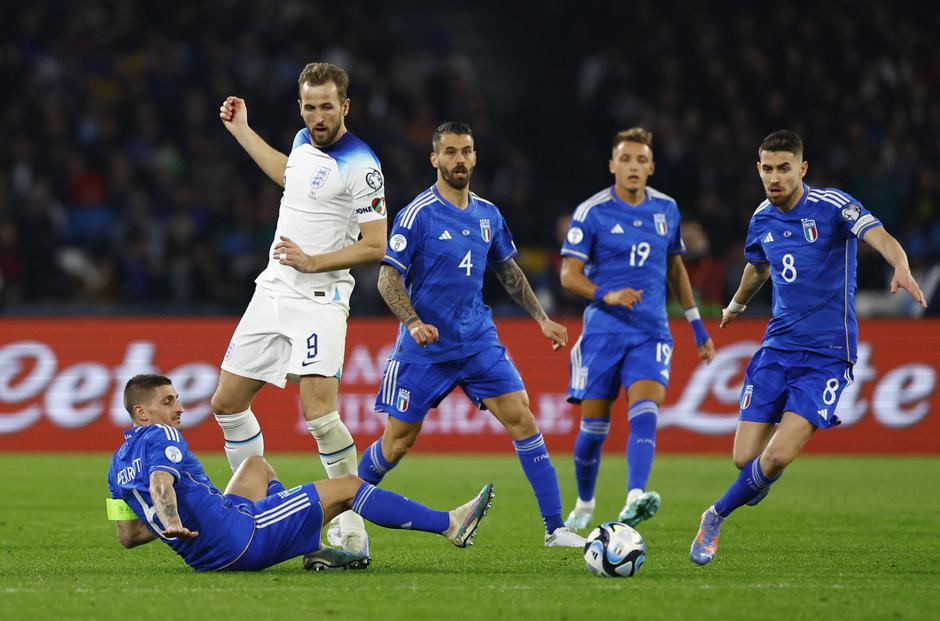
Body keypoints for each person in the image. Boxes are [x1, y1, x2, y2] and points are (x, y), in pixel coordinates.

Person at [689, 130, 927, 565]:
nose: (775, 177)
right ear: (758, 170)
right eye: (768, 168)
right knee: (745, 459)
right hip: (776, 350)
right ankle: (757, 479)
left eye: (784, 168)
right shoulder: (762, 217)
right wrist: (737, 304)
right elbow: (757, 268)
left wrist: (900, 265)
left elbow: (879, 236)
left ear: (803, 168)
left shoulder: (833, 206)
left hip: (827, 356)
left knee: (776, 455)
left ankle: (714, 517)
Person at [356, 122, 585, 547]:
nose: (459, 160)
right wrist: (412, 322)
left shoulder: (488, 215)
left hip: (478, 341)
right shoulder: (417, 214)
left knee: (522, 417)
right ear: (435, 159)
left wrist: (541, 317)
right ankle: (346, 504)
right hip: (424, 350)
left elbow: (508, 271)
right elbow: (387, 280)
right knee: (396, 443)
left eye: (466, 151)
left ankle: (557, 529)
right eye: (450, 152)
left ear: (475, 157)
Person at [213, 62, 387, 554]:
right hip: (272, 290)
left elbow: (376, 244)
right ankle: (258, 509)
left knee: (320, 415)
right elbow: (287, 175)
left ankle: (352, 528)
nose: (318, 117)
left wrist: (315, 262)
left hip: (319, 298)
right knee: (226, 404)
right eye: (309, 107)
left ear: (345, 106)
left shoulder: (363, 165)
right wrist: (242, 131)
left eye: (327, 107)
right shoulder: (303, 142)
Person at [107, 375, 494, 572]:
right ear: (142, 413)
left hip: (209, 550)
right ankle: (450, 524)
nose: (179, 407)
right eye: (168, 401)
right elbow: (161, 484)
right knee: (348, 485)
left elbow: (129, 535)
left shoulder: (115, 466)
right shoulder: (161, 434)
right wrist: (174, 519)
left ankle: (307, 545)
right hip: (240, 537)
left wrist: (176, 530)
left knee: (255, 466)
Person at [559, 127, 716, 530]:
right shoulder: (591, 212)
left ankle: (634, 497)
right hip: (602, 333)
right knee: (594, 430)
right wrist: (605, 294)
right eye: (625, 159)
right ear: (613, 165)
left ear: (651, 167)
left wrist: (696, 324)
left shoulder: (667, 210)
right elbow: (568, 276)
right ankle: (585, 502)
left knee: (645, 411)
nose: (633, 167)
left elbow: (675, 267)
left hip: (651, 332)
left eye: (640, 160)